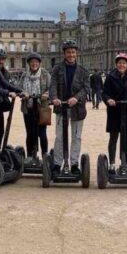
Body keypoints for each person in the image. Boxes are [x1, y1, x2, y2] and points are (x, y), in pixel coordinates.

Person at [49, 40, 91, 174]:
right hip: (61, 106)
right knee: (59, 137)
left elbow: (86, 88)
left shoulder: (83, 71)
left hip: (77, 108)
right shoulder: (57, 69)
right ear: (64, 54)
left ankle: (74, 164)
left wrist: (76, 98)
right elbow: (53, 85)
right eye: (68, 52)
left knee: (76, 137)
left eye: (73, 52)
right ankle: (57, 163)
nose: (71, 54)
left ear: (76, 53)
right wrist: (54, 98)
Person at [102, 53, 127, 172]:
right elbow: (104, 93)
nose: (121, 65)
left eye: (124, 63)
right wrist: (108, 100)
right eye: (119, 63)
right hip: (114, 111)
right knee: (113, 137)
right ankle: (112, 163)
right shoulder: (110, 77)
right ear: (116, 64)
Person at [19, 52, 51, 163]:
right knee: (30, 133)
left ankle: (44, 155)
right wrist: (23, 93)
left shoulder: (45, 74)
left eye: (36, 62)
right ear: (28, 63)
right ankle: (30, 155)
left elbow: (51, 88)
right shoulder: (24, 75)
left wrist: (47, 94)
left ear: (39, 63)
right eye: (32, 62)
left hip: (42, 108)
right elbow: (19, 88)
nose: (34, 64)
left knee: (42, 134)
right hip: (28, 108)